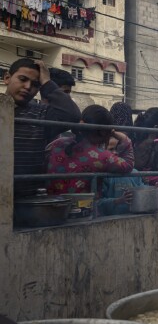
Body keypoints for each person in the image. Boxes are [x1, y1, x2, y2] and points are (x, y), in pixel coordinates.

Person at [5, 58, 81, 196]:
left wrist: (46, 82)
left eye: (35, 84)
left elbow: (72, 115)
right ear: (7, 78)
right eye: (22, 79)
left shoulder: (40, 114)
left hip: (27, 199)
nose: (28, 87)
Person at [46, 105, 134, 194]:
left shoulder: (56, 144)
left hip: (52, 203)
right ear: (104, 132)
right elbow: (128, 165)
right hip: (81, 206)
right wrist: (124, 138)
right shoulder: (100, 156)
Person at [96, 136, 145, 216]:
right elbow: (97, 203)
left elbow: (142, 189)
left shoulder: (134, 173)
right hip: (110, 220)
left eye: (117, 149)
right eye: (111, 149)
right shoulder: (102, 175)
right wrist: (118, 200)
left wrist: (154, 192)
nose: (116, 152)